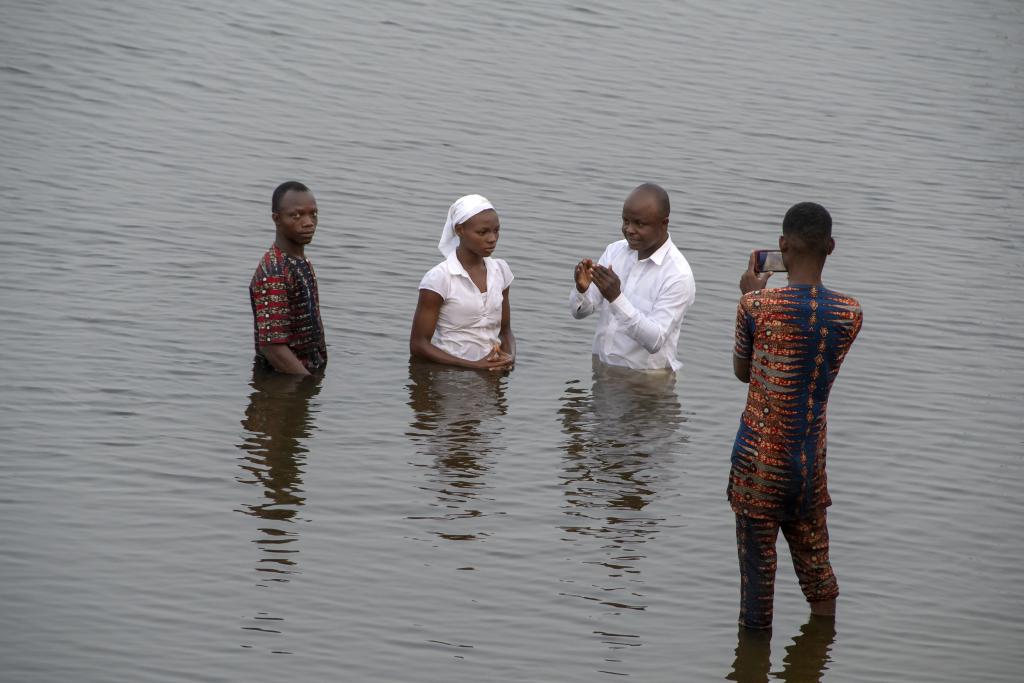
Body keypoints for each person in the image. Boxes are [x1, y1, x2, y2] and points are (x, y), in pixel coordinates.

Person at [728, 202, 863, 630]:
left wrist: (751, 293)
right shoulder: (849, 313)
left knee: (757, 595)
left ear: (782, 246)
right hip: (808, 467)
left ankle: (752, 669)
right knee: (819, 579)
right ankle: (819, 654)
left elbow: (743, 372)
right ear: (832, 247)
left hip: (758, 467)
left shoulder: (756, 307)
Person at [570, 183, 696, 373]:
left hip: (645, 382)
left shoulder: (678, 275)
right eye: (625, 221)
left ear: (664, 223)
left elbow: (655, 340)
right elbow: (580, 313)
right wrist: (582, 290)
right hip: (602, 370)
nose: (629, 229)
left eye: (639, 224)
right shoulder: (615, 251)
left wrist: (616, 298)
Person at [410, 194, 515, 371]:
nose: (492, 238)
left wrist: (510, 357)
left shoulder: (501, 271)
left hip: (490, 377)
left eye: (496, 230)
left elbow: (505, 330)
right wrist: (472, 366)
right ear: (459, 230)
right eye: (482, 232)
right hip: (448, 376)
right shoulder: (439, 278)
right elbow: (418, 345)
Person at [248, 181, 327, 375]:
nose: (308, 222)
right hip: (280, 385)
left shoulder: (300, 261)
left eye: (313, 214)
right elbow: (272, 347)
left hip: (303, 374)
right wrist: (306, 384)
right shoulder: (274, 272)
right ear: (277, 218)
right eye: (296, 215)